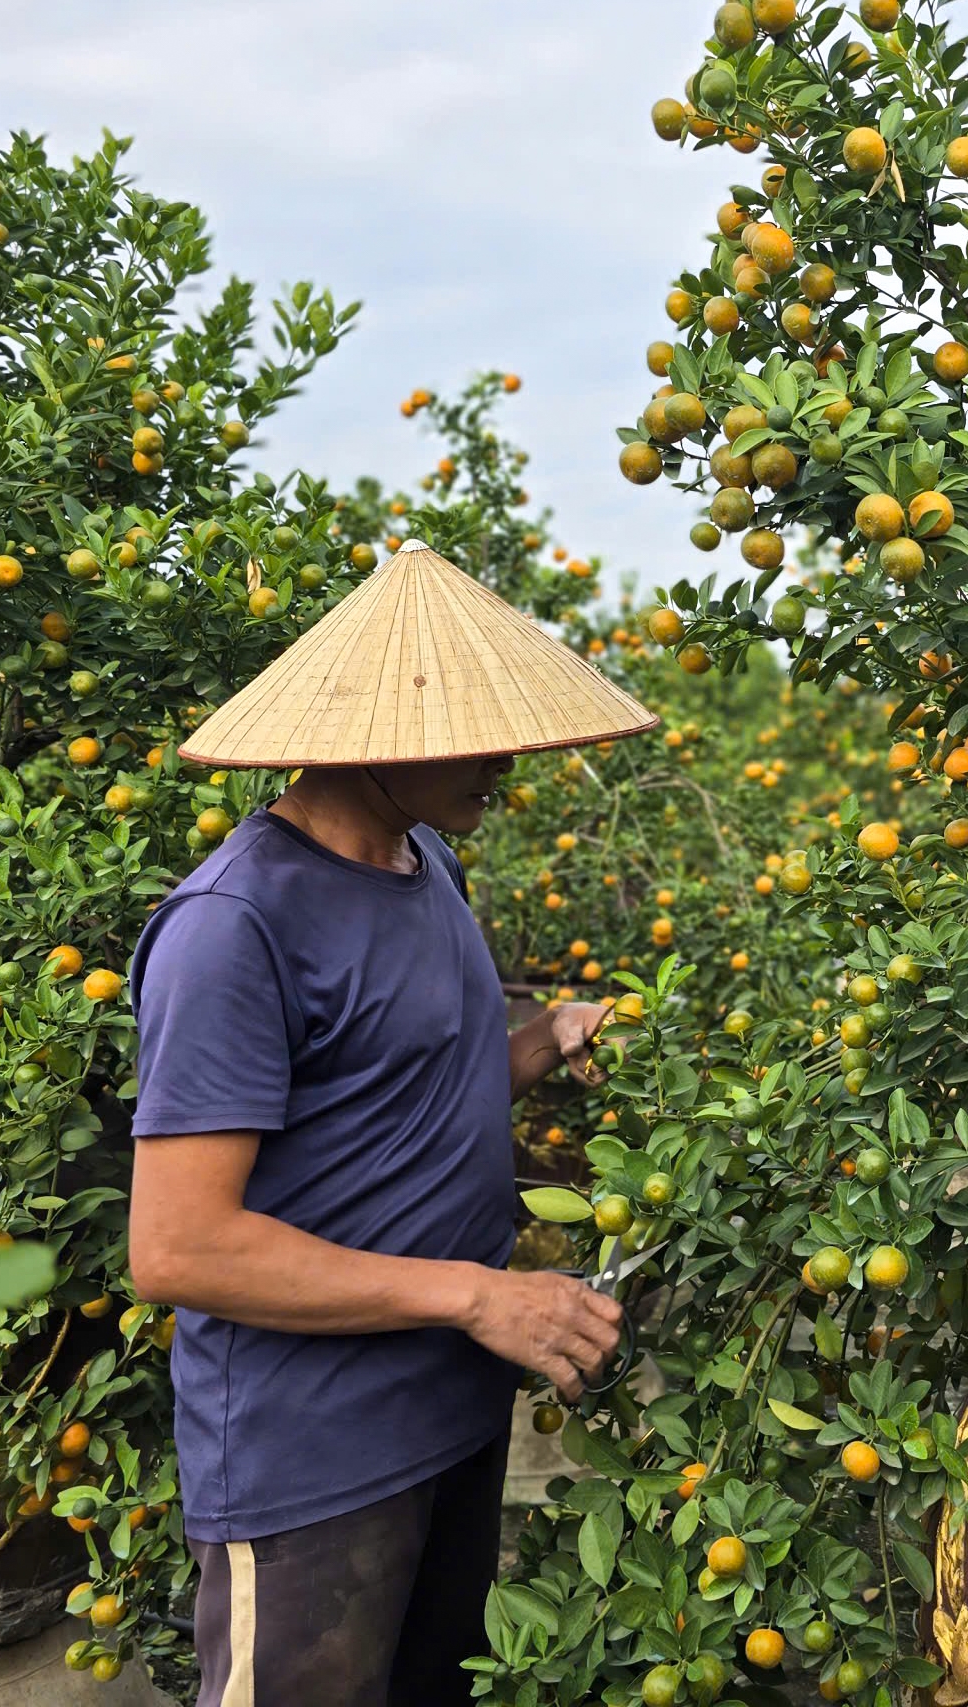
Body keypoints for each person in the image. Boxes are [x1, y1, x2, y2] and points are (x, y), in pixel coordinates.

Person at [126, 541, 659, 1706]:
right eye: (476, 732)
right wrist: (479, 1293)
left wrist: (544, 1042)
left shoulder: (432, 867)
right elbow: (179, 1248)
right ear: (375, 735)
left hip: (448, 1411)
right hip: (311, 1456)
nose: (505, 761)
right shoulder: (235, 927)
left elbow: (403, 1089)